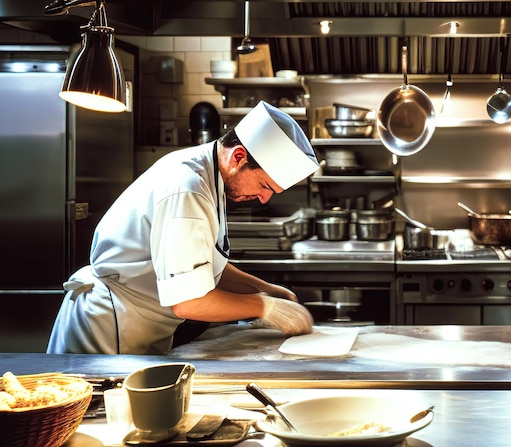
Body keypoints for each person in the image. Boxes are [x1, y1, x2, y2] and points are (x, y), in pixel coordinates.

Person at [47, 100, 320, 355]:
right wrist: (265, 307)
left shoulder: (210, 176)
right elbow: (188, 301)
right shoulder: (188, 188)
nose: (264, 199)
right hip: (111, 329)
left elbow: (202, 267)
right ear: (238, 157)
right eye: (264, 186)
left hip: (137, 324)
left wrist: (264, 288)